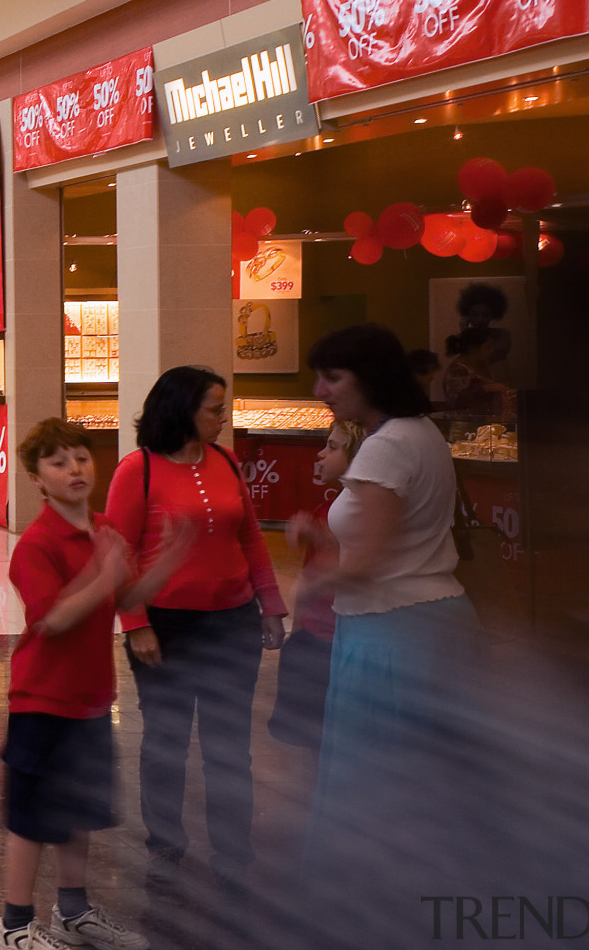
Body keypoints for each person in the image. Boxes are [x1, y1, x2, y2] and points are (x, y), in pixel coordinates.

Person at [301, 324, 480, 904]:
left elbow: (368, 564)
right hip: (426, 618)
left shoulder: (386, 445)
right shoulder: (421, 432)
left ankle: (381, 908)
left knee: (378, 779)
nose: (320, 390)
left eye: (333, 377)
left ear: (368, 378)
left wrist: (301, 586)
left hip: (391, 630)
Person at [0, 416, 181, 950]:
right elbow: (50, 619)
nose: (74, 468)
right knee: (31, 817)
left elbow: (125, 597)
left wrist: (171, 556)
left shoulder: (105, 531)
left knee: (78, 810)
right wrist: (102, 574)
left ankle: (73, 913)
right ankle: (12, 926)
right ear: (37, 477)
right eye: (58, 461)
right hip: (42, 699)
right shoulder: (38, 543)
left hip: (91, 698)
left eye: (81, 457)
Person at [102, 366, 285, 896]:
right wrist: (136, 625)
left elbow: (250, 537)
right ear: (182, 410)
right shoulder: (138, 471)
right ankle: (165, 841)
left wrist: (269, 605)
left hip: (232, 620)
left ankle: (234, 848)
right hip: (165, 625)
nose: (223, 419)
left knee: (229, 744)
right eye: (214, 409)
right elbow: (120, 554)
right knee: (167, 738)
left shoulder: (224, 460)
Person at [269, 417, 360, 751]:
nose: (320, 455)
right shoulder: (327, 510)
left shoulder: (355, 515)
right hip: (314, 640)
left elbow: (329, 575)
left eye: (332, 447)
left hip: (335, 644)